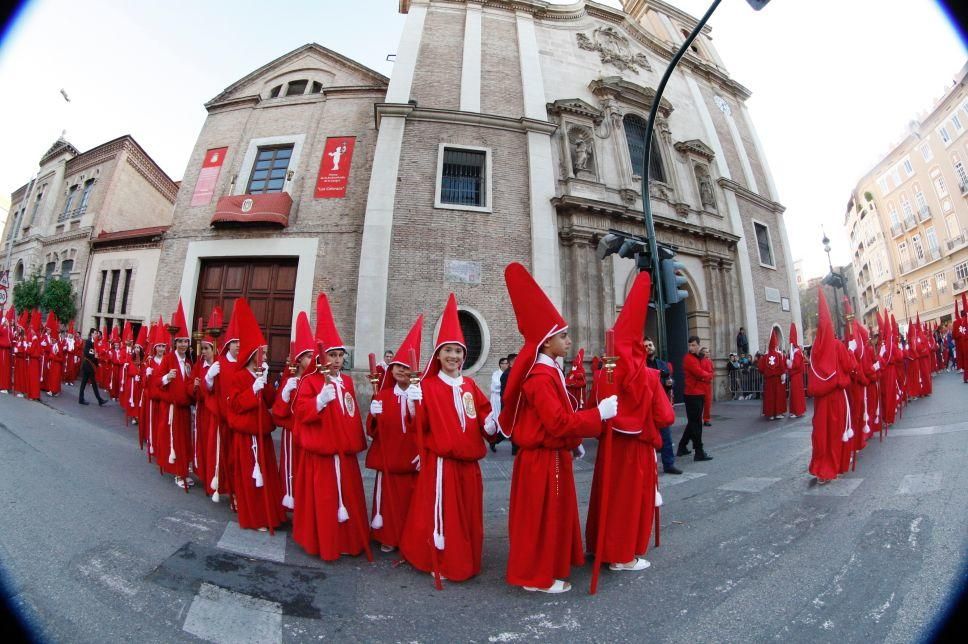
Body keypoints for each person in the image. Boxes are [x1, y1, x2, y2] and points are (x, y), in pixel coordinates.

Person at [499, 263, 610, 594]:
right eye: (563, 335)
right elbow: (558, 422)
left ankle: (542, 570)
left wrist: (574, 441)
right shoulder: (540, 377)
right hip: (541, 459)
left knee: (547, 517)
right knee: (540, 519)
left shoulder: (550, 373)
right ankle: (537, 576)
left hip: (552, 455)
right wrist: (597, 416)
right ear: (547, 343)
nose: (568, 339)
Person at [400, 293, 497, 583]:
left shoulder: (469, 384)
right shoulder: (427, 387)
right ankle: (440, 558)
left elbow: (484, 420)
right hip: (442, 467)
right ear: (438, 355)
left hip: (470, 466)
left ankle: (465, 557)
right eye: (448, 351)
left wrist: (493, 422)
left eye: (458, 351)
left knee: (467, 517)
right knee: (443, 517)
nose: (454, 356)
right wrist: (411, 402)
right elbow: (420, 426)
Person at [586, 271, 674, 576]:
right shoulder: (649, 375)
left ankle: (600, 545)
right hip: (635, 446)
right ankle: (622, 555)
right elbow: (666, 416)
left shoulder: (608, 363)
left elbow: (598, 395)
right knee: (627, 500)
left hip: (610, 443)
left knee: (608, 496)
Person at [293, 293, 369, 558]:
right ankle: (325, 542)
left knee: (349, 498)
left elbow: (350, 413)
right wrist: (319, 402)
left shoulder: (346, 382)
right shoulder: (311, 382)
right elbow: (301, 412)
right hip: (323, 454)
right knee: (325, 500)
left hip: (343, 453)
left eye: (339, 355)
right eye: (331, 355)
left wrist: (352, 442)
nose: (336, 360)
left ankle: (349, 541)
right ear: (321, 357)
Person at [227, 297, 286, 532]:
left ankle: (271, 514)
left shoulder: (260, 375)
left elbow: (270, 401)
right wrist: (253, 389)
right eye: (262, 352)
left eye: (266, 352)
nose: (265, 355)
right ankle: (255, 517)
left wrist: (268, 383)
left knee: (268, 476)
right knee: (251, 479)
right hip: (247, 435)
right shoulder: (238, 377)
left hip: (262, 435)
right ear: (252, 355)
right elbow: (237, 405)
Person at [366, 316, 423, 553]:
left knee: (411, 502)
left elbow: (425, 426)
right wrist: (372, 413)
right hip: (389, 457)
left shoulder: (420, 394)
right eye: (398, 366)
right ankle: (387, 535)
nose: (402, 371)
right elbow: (372, 431)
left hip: (411, 459)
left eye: (406, 367)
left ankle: (409, 539)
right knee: (387, 502)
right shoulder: (383, 395)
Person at [808, 289, 855, 483]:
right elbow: (850, 367)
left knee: (821, 434)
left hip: (821, 402)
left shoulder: (814, 351)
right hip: (836, 398)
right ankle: (835, 466)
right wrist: (851, 353)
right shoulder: (837, 345)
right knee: (836, 434)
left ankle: (822, 468)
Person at [271, 310, 314, 513]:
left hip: (310, 432)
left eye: (313, 356)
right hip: (292, 432)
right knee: (291, 467)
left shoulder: (315, 380)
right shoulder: (290, 381)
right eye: (307, 356)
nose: (311, 360)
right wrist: (286, 394)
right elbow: (279, 411)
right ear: (299, 360)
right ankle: (290, 498)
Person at [156, 300, 195, 490]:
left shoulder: (188, 362)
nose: (183, 344)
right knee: (175, 440)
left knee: (185, 440)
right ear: (175, 342)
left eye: (186, 341)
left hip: (185, 408)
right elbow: (156, 382)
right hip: (172, 408)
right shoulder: (168, 359)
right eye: (180, 341)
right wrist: (166, 378)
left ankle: (184, 470)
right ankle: (178, 472)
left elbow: (189, 383)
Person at [645, 337, 681, 474]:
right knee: (649, 437)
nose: (649, 347)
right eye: (646, 346)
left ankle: (669, 463)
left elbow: (670, 379)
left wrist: (670, 382)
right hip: (647, 405)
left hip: (661, 404)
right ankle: (649, 467)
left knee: (666, 435)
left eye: (650, 344)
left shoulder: (662, 364)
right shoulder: (641, 364)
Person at [677, 336, 712, 461]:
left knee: (693, 422)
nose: (691, 347)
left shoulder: (698, 358)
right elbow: (699, 373)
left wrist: (705, 375)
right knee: (696, 424)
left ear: (698, 345)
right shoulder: (689, 358)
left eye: (693, 345)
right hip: (692, 394)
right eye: (690, 345)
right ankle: (699, 451)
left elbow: (704, 372)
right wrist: (707, 376)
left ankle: (682, 446)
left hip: (698, 393)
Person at [758, 329, 787, 420]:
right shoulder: (778, 355)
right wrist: (783, 375)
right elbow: (782, 367)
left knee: (770, 397)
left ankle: (770, 414)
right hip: (777, 379)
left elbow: (761, 368)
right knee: (778, 396)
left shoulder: (765, 356)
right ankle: (778, 413)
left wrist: (764, 373)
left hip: (768, 380)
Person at [78, 328, 107, 406]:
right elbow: (86, 352)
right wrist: (94, 355)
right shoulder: (88, 341)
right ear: (91, 334)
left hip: (91, 365)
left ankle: (97, 399)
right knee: (88, 383)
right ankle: (98, 400)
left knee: (87, 383)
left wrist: (97, 362)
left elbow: (96, 353)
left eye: (97, 333)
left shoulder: (95, 342)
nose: (96, 334)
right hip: (87, 365)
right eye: (95, 333)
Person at [488, 356, 509, 452]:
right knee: (497, 419)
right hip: (496, 399)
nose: (507, 365)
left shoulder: (508, 373)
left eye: (507, 363)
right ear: (501, 364)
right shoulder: (496, 374)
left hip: (505, 398)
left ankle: (497, 440)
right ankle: (494, 441)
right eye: (505, 363)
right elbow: (495, 385)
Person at [787, 323, 806, 418]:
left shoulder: (797, 353)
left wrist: (790, 364)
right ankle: (797, 410)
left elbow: (797, 365)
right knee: (795, 394)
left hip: (796, 376)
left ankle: (797, 411)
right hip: (795, 375)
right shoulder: (797, 352)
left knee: (796, 394)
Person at [700, 346, 713, 426]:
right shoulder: (698, 361)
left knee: (707, 403)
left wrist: (710, 377)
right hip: (700, 384)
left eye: (708, 351)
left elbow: (711, 372)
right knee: (699, 404)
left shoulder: (710, 361)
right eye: (706, 351)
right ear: (702, 353)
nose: (708, 353)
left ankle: (706, 419)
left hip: (707, 385)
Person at [0, 308, 12, 394]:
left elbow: (9, 341)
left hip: (5, 351)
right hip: (2, 351)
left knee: (4, 369)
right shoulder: (4, 329)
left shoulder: (7, 330)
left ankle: (4, 386)